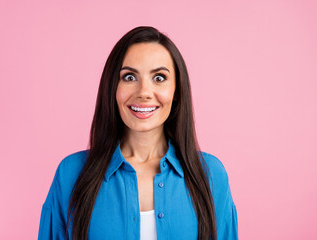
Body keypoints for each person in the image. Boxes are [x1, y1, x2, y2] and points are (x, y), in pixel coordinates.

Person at [38, 26, 238, 240]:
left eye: (159, 78)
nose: (143, 92)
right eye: (130, 77)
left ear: (177, 90)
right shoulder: (71, 173)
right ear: (112, 87)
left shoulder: (211, 175)